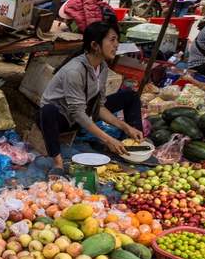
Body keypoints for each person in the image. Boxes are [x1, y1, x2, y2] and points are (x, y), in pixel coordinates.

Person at [39, 21, 144, 170]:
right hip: (62, 118)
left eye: (117, 40)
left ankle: (133, 145)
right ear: (95, 45)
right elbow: (77, 113)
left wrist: (126, 127)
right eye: (112, 40)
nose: (116, 45)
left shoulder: (103, 67)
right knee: (47, 111)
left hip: (84, 109)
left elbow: (99, 106)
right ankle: (57, 163)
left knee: (130, 96)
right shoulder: (74, 71)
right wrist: (108, 139)